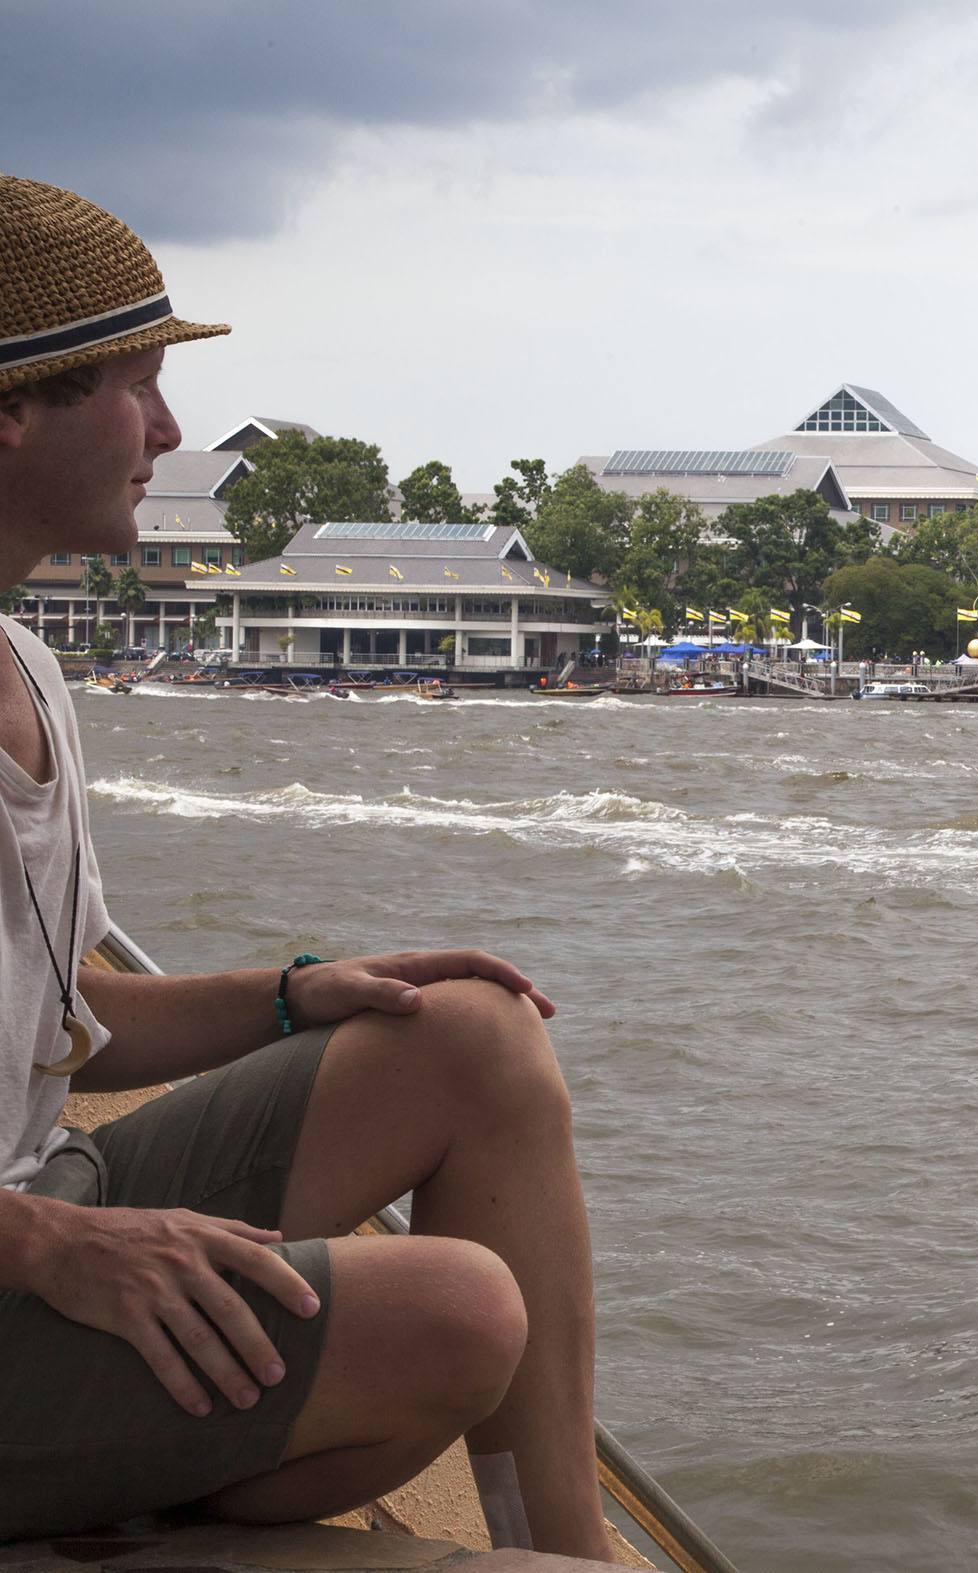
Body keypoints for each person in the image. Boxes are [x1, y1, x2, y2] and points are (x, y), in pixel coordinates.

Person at [0, 175, 616, 1560]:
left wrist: (302, 992)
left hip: (43, 1195)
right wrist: (51, 1252)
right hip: (25, 1253)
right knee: (458, 1316)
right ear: (12, 407)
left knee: (473, 1035)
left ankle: (562, 1550)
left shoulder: (30, 663)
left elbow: (72, 1015)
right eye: (138, 388)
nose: (167, 430)